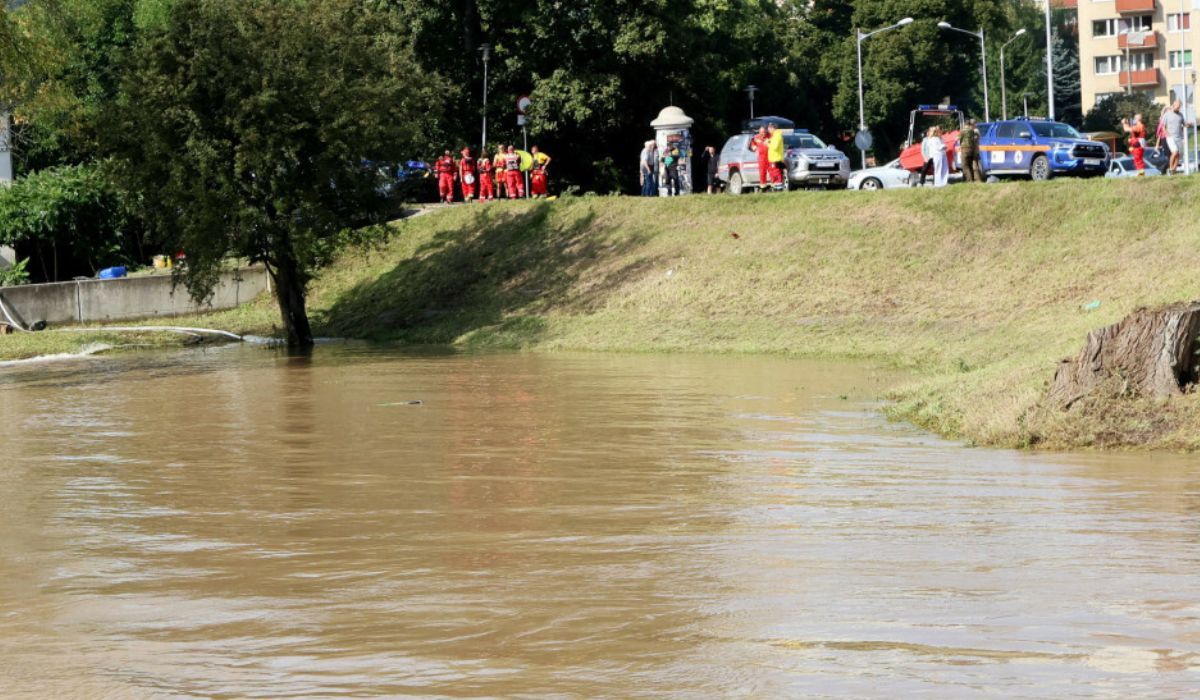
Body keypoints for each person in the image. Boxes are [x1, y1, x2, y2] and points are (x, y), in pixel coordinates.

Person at [1162, 100, 1185, 174]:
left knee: (1178, 155)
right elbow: (1163, 126)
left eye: (1179, 107)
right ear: (1173, 105)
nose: (1178, 108)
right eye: (1177, 107)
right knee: (1174, 152)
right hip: (1170, 137)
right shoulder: (1167, 114)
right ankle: (1170, 168)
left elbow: (1184, 124)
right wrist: (1166, 133)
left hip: (1179, 137)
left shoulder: (1180, 115)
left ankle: (1173, 170)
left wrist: (1188, 124)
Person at [958, 118, 983, 183]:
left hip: (973, 150)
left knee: (973, 166)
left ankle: (975, 180)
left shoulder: (975, 131)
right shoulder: (972, 130)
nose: (971, 125)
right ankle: (971, 179)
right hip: (972, 150)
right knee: (970, 165)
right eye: (970, 124)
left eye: (972, 124)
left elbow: (960, 138)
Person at [766, 122, 786, 191]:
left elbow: (775, 147)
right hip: (774, 159)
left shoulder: (777, 136)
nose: (768, 130)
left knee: (776, 175)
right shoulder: (775, 136)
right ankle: (776, 189)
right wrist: (769, 141)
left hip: (776, 159)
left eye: (769, 128)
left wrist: (767, 144)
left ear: (773, 128)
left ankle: (779, 189)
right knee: (774, 175)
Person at [749, 126, 770, 191]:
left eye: (763, 132)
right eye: (761, 132)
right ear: (759, 132)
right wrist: (754, 147)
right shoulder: (756, 137)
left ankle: (774, 185)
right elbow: (752, 144)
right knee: (762, 172)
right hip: (761, 157)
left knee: (772, 171)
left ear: (766, 132)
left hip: (769, 156)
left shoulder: (769, 136)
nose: (762, 133)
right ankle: (763, 187)